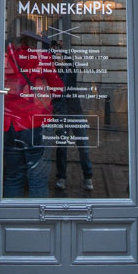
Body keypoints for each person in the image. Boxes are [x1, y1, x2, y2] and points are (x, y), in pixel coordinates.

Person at [2, 31, 63, 198]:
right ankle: (38, 215)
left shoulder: (6, 58)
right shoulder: (43, 58)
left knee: (13, 176)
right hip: (36, 121)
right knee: (38, 178)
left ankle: (11, 214)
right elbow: (58, 89)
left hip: (10, 123)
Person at [50, 40, 93, 191]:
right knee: (62, 147)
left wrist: (61, 51)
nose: (57, 56)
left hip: (75, 110)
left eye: (58, 53)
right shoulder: (52, 69)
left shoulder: (69, 67)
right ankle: (61, 177)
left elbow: (70, 66)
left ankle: (88, 176)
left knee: (83, 146)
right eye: (54, 53)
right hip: (60, 111)